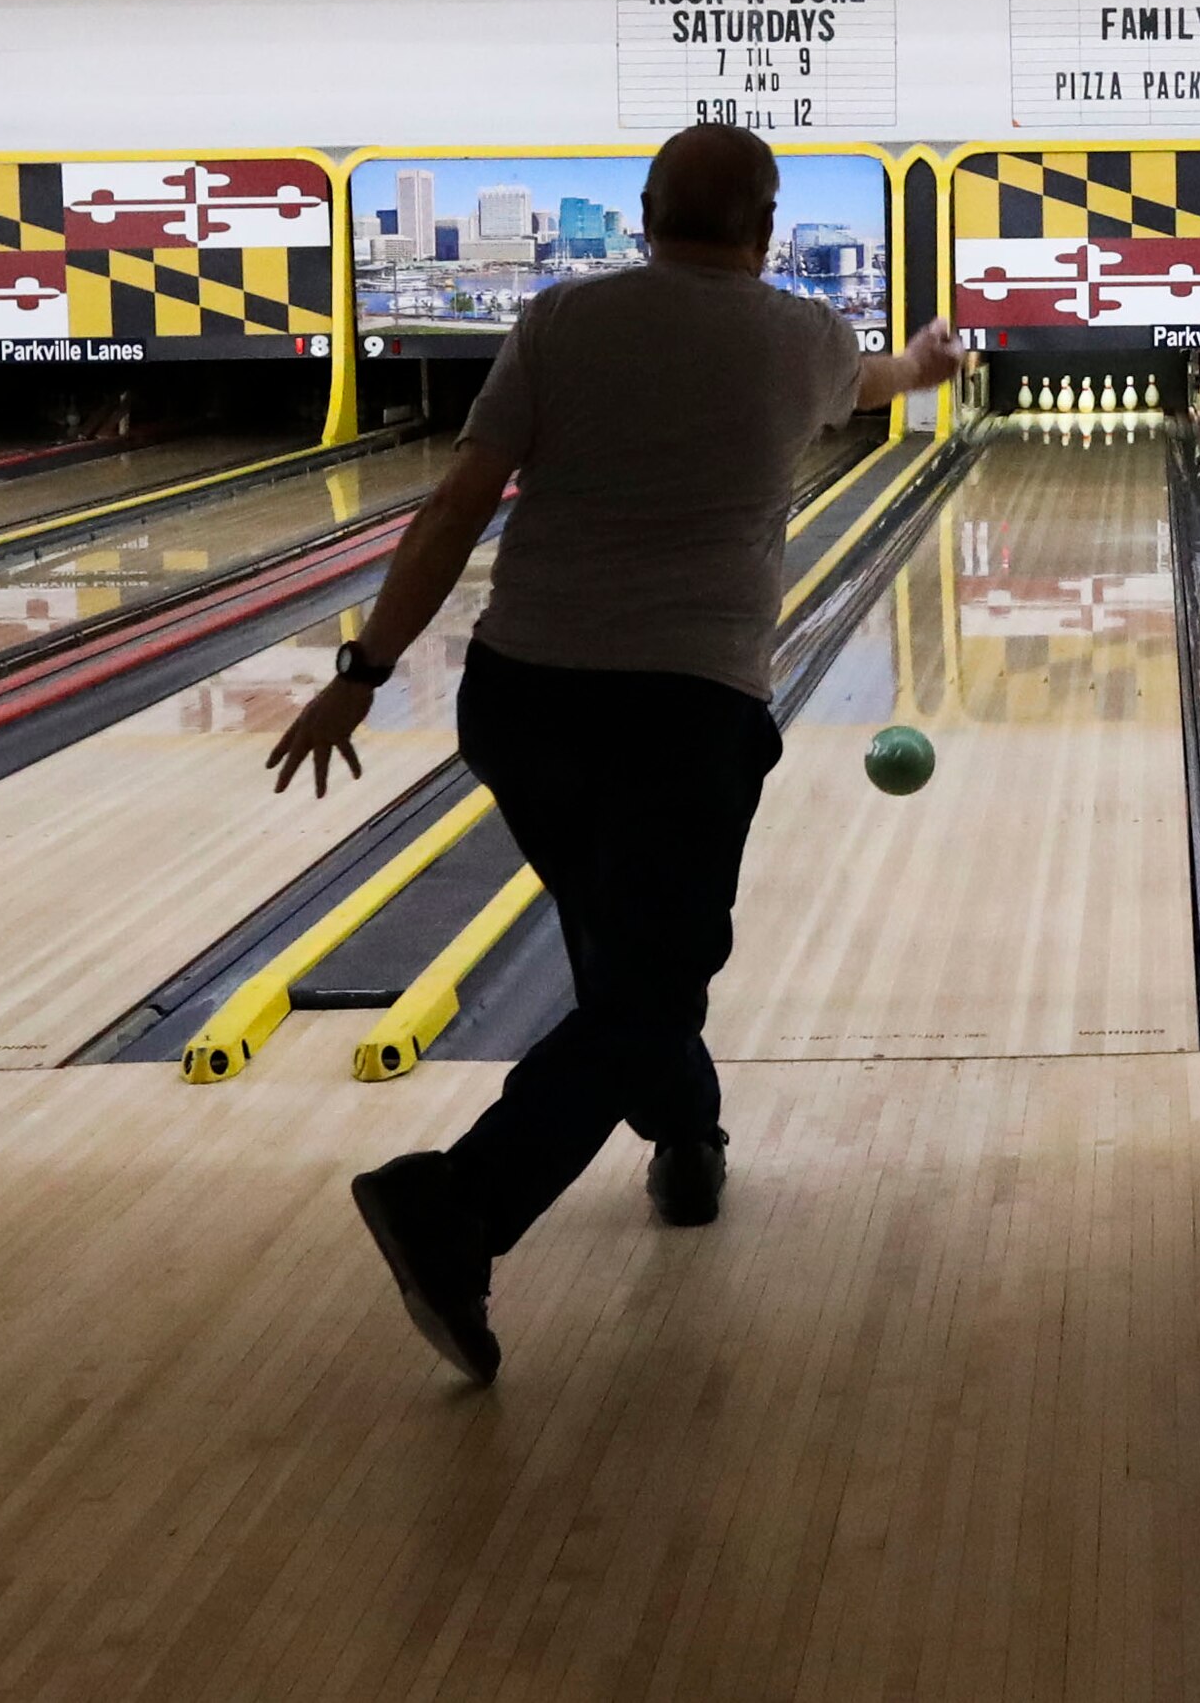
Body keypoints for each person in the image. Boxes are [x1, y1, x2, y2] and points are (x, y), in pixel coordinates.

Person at [268, 121, 963, 1383]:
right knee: (652, 981)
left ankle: (686, 1138)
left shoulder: (558, 321)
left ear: (642, 211)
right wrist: (917, 362)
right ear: (763, 229)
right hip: (680, 713)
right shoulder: (803, 335)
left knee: (620, 951)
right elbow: (864, 385)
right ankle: (459, 1206)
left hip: (518, 703)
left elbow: (455, 505)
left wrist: (362, 672)